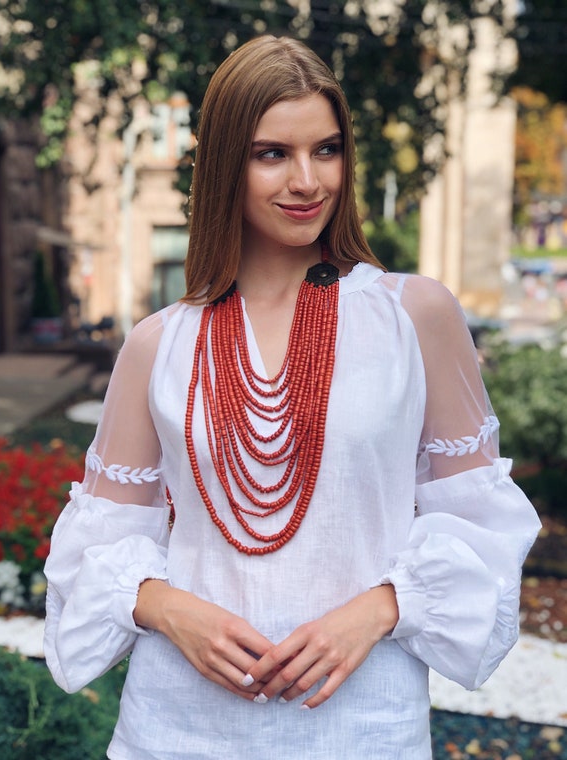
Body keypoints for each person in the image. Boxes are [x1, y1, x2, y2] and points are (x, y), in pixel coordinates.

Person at [44, 35, 541, 759]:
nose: (308, 180)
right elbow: (92, 546)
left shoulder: (415, 316)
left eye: (328, 149)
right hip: (178, 726)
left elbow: (486, 527)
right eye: (272, 153)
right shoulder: (160, 342)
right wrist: (167, 605)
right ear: (224, 165)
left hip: (362, 723)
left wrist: (381, 607)